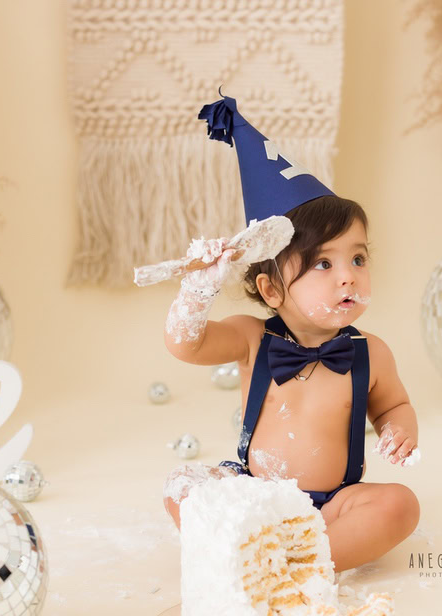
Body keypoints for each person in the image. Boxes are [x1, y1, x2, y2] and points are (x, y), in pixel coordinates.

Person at [161, 94, 420, 572]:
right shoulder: (251, 339)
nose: (348, 276)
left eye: (357, 258)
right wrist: (198, 288)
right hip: (254, 492)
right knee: (182, 486)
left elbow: (394, 406)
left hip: (334, 504)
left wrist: (399, 430)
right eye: (324, 263)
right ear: (271, 288)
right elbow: (186, 344)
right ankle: (248, 550)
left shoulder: (372, 353)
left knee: (400, 506)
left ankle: (298, 564)